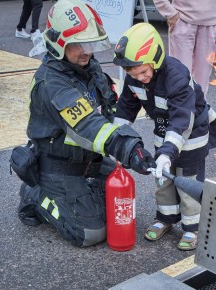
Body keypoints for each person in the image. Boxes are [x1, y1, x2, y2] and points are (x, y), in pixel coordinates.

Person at [13, 0, 156, 248]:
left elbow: (108, 107)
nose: (87, 51)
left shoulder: (88, 67)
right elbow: (88, 125)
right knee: (92, 232)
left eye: (90, 43)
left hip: (90, 160)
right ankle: (36, 195)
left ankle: (79, 193)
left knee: (119, 202)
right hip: (59, 166)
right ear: (59, 44)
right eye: (79, 44)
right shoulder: (52, 84)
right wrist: (126, 146)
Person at [112, 23, 216, 250]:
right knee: (163, 181)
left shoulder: (177, 76)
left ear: (155, 59)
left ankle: (193, 227)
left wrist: (167, 152)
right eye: (134, 74)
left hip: (190, 136)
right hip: (164, 134)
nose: (141, 78)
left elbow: (182, 121)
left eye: (144, 72)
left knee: (187, 184)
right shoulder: (135, 78)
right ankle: (166, 218)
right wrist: (117, 140)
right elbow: (125, 109)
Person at [153, 0, 216, 100]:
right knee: (179, 77)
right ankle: (180, 112)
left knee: (202, 81)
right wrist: (170, 12)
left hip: (211, 24)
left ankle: (199, 112)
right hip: (182, 21)